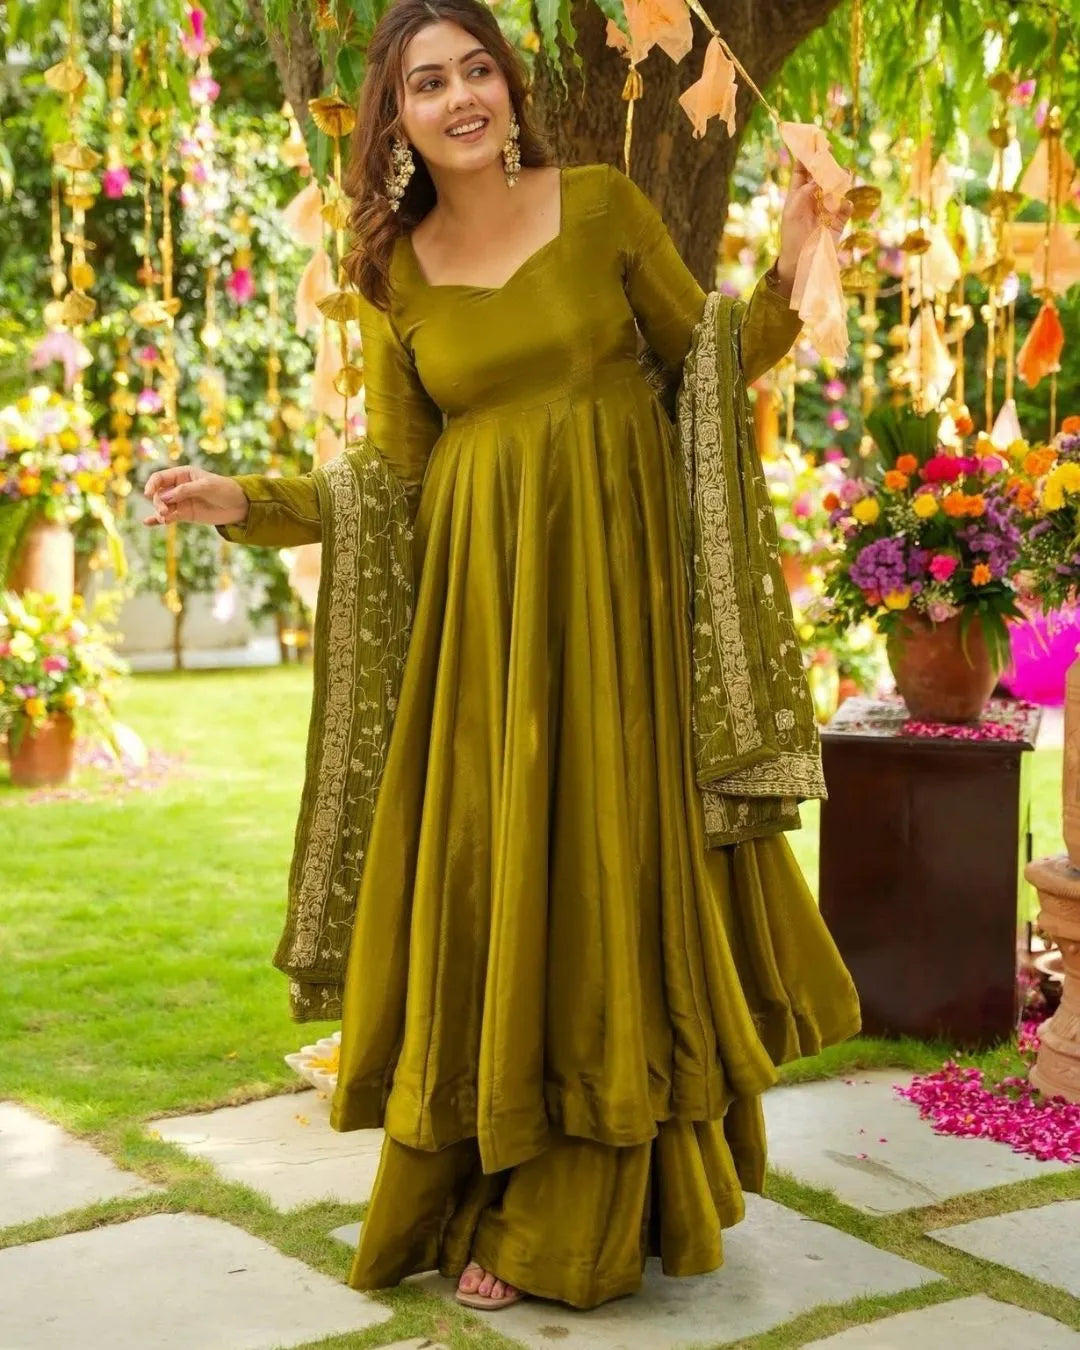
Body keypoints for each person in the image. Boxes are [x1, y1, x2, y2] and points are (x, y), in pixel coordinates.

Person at [145, 0, 861, 1313]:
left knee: (609, 880)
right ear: (397, 117)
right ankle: (497, 1181)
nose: (463, 94)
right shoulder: (394, 274)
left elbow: (701, 368)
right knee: (504, 887)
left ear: (512, 86)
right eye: (430, 81)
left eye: (479, 68)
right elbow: (395, 487)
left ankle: (580, 1214)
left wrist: (797, 257)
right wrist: (247, 501)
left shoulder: (599, 208)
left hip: (621, 615)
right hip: (487, 635)